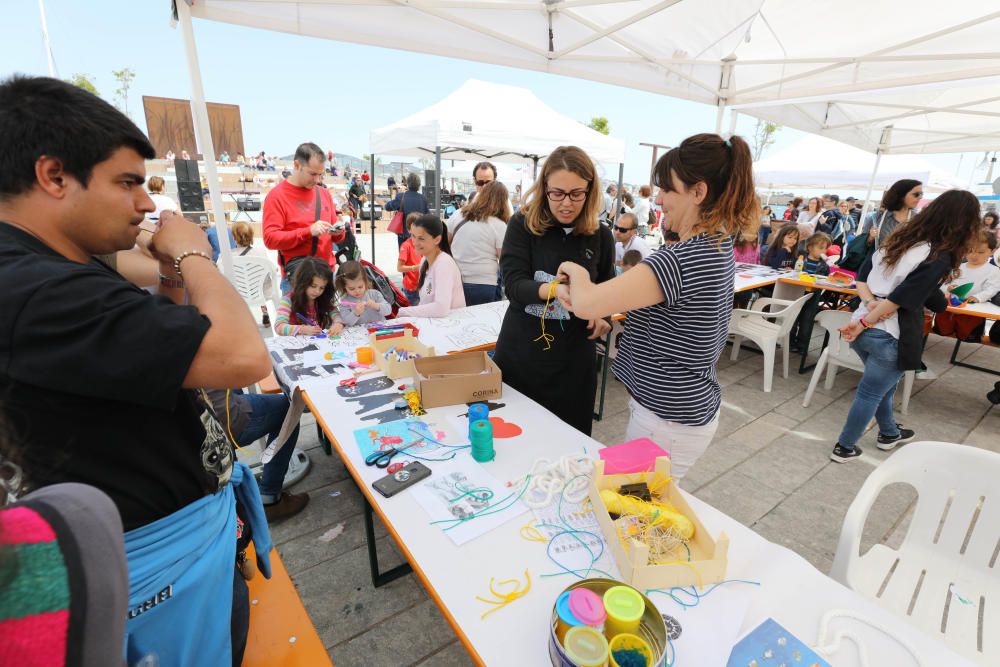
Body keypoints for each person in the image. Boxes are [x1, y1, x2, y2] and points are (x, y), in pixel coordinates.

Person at [0, 75, 273, 666]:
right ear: (53, 176)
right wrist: (196, 252)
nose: (146, 204)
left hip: (168, 550)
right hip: (148, 577)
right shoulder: (34, 288)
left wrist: (174, 276)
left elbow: (169, 355)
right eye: (127, 184)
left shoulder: (55, 268)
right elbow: (242, 355)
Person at [557, 133, 759, 477]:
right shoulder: (715, 245)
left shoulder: (681, 260)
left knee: (630, 511)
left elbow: (587, 303)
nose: (661, 199)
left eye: (668, 189)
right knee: (634, 503)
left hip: (667, 420)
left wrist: (574, 270)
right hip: (676, 412)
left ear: (698, 192)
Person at [830, 190, 983, 463]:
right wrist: (869, 319)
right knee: (871, 392)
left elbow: (862, 277)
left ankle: (889, 433)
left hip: (866, 326)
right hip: (889, 333)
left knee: (883, 388)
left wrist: (869, 308)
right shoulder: (939, 255)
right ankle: (845, 447)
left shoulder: (899, 240)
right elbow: (903, 297)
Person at [494, 145, 615, 436]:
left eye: (576, 194)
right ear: (544, 187)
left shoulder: (601, 235)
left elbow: (607, 290)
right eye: (557, 193)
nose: (566, 203)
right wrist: (552, 290)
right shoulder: (523, 224)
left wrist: (604, 318)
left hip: (574, 365)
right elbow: (513, 285)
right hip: (522, 357)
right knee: (515, 442)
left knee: (569, 445)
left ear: (590, 191)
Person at [262, 142, 345, 292]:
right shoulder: (277, 196)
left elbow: (336, 236)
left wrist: (339, 232)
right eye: (312, 174)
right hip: (298, 280)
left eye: (320, 174)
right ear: (296, 165)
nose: (317, 180)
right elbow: (270, 239)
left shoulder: (324, 193)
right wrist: (308, 231)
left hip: (326, 277)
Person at [933, 228, 1000, 341]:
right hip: (950, 305)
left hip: (973, 308)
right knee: (943, 329)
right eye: (970, 250)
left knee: (967, 334)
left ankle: (968, 335)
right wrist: (947, 288)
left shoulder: (993, 270)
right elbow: (945, 282)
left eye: (980, 252)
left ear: (992, 251)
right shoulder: (959, 266)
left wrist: (978, 297)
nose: (974, 255)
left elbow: (992, 289)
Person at [450, 180, 509, 305]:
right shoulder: (499, 225)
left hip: (454, 279)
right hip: (484, 283)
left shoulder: (457, 215)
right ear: (503, 202)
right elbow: (504, 259)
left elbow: (445, 244)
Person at [396, 215, 466, 317]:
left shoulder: (444, 264)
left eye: (421, 238)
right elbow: (425, 303)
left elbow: (441, 308)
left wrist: (404, 312)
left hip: (450, 327)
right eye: (413, 236)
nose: (415, 242)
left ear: (437, 239)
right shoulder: (424, 260)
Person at [274, 257, 344, 337]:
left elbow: (335, 313)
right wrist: (302, 329)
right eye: (313, 286)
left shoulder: (321, 299)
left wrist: (338, 324)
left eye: (322, 288)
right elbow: (279, 327)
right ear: (302, 282)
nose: (317, 291)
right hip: (295, 345)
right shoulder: (288, 300)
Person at [790, 232, 832, 353]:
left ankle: (803, 346)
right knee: (793, 318)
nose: (823, 251)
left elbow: (826, 280)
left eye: (825, 249)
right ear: (810, 247)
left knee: (807, 321)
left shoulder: (825, 266)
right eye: (820, 248)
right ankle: (790, 343)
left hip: (813, 296)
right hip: (798, 293)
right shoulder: (800, 259)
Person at [232, 220, 274, 326]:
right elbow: (271, 272)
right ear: (252, 236)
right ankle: (265, 312)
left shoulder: (226, 256)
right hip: (260, 293)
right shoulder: (261, 253)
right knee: (265, 280)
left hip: (238, 294)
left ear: (234, 237)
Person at [860, 179, 922, 248]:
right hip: (878, 257)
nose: (920, 198)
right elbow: (862, 246)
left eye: (921, 194)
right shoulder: (877, 217)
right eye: (916, 194)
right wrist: (870, 238)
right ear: (902, 194)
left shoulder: (918, 220)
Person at [335, 260, 392, 326]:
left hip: (380, 330)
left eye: (360, 287)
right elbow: (346, 323)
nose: (357, 291)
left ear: (365, 282)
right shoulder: (345, 301)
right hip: (360, 334)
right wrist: (355, 313)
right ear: (344, 287)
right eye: (352, 289)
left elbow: (388, 310)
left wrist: (376, 306)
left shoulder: (374, 294)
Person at [447, 161, 497, 228]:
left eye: (488, 182)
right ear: (474, 181)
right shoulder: (471, 199)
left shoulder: (504, 202)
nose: (485, 186)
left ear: (495, 181)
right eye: (480, 182)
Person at [385, 172, 429, 247]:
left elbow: (388, 207)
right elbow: (428, 216)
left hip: (404, 236)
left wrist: (383, 202)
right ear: (419, 185)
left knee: (404, 257)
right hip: (419, 236)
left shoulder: (401, 197)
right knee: (418, 257)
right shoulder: (423, 198)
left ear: (407, 184)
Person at [397, 213, 422, 306]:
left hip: (424, 287)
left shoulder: (425, 243)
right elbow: (399, 268)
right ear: (409, 229)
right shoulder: (406, 245)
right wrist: (415, 267)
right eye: (415, 226)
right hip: (412, 289)